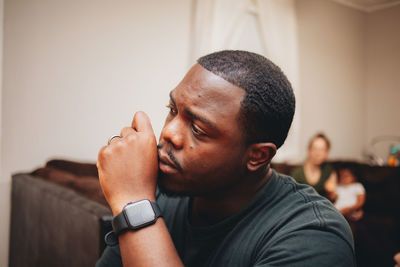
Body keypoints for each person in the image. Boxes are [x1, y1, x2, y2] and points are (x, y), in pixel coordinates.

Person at [96, 50, 355, 266]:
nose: (169, 132)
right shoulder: (161, 194)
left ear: (257, 156)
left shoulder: (313, 237)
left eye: (199, 129)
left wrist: (135, 205)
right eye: (172, 110)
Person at [291, 133, 337, 201]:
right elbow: (291, 197)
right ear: (308, 150)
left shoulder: (329, 171)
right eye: (315, 149)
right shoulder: (297, 173)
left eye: (322, 149)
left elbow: (333, 199)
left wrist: (331, 193)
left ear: (327, 153)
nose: (318, 153)